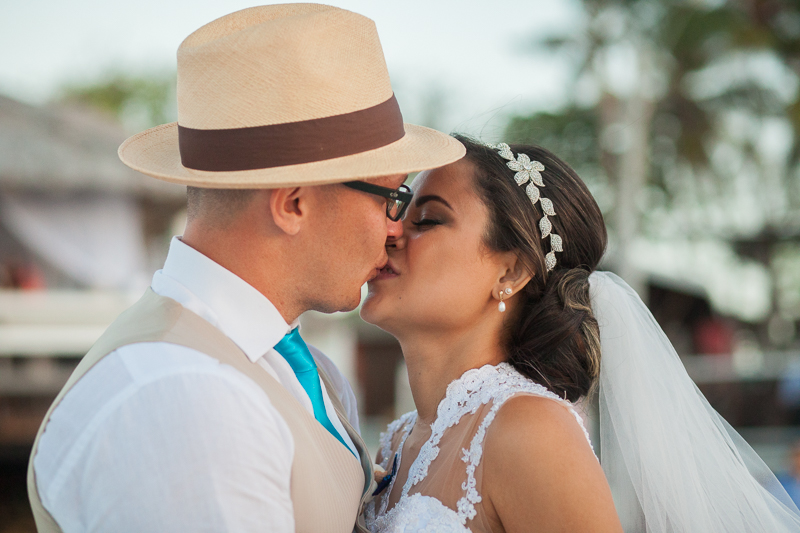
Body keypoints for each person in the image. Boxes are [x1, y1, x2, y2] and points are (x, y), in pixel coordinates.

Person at [26, 5, 464, 533]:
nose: (397, 229)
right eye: (390, 196)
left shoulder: (295, 365)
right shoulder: (184, 398)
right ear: (294, 204)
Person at [360, 135, 800, 532]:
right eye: (398, 211)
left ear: (511, 271)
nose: (391, 232)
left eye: (429, 219)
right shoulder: (396, 442)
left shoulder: (527, 430)